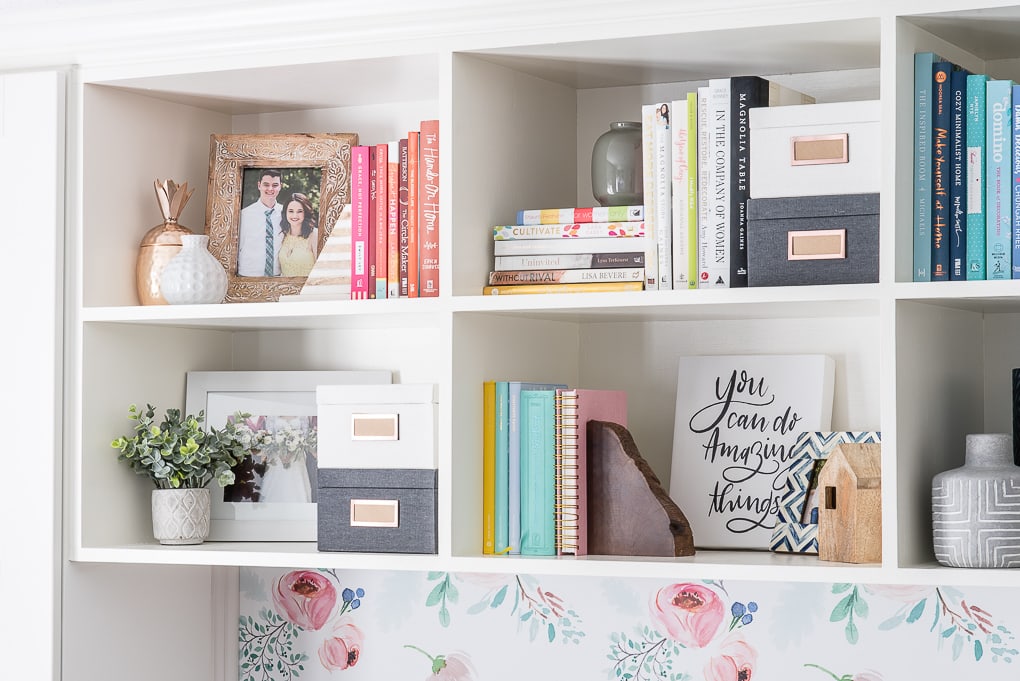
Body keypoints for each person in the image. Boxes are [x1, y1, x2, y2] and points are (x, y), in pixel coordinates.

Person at [237, 169, 284, 277]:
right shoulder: (244, 215)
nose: (270, 189)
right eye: (266, 185)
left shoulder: (286, 214)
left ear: (280, 186)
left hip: (277, 276)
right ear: (259, 185)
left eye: (275, 185)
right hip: (248, 276)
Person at [277, 192, 319, 277]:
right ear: (285, 213)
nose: (294, 215)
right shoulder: (282, 234)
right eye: (291, 211)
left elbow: (322, 270)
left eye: (299, 211)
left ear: (305, 213)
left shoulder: (314, 235)